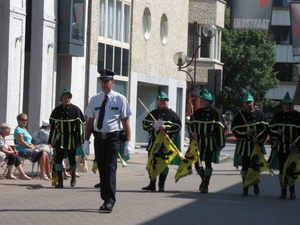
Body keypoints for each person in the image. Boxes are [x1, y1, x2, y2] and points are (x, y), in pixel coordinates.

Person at [84, 69, 132, 213]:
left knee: (110, 168)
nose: (105, 84)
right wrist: (86, 141)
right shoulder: (94, 99)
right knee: (102, 169)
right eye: (103, 81)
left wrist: (128, 142)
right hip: (99, 139)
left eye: (107, 81)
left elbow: (125, 122)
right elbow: (90, 122)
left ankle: (109, 200)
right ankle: (105, 197)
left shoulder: (120, 99)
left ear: (113, 82)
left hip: (113, 139)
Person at [141, 91, 181, 192]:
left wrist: (166, 128)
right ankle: (152, 184)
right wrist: (153, 126)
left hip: (165, 145)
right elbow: (144, 125)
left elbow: (177, 127)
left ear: (168, 102)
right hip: (153, 143)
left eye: (164, 101)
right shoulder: (153, 113)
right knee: (152, 163)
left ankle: (161, 185)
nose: (163, 102)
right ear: (158, 102)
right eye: (161, 100)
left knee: (163, 164)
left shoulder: (172, 115)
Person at [231, 91, 269, 196]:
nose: (248, 104)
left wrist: (258, 138)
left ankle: (255, 185)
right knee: (245, 167)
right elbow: (235, 130)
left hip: (256, 145)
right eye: (246, 102)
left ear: (253, 102)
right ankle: (245, 186)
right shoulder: (240, 115)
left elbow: (265, 129)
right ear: (243, 104)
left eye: (250, 102)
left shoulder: (259, 114)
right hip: (244, 146)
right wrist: (245, 134)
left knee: (255, 167)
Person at [188, 89, 225, 193]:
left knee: (208, 162)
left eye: (203, 100)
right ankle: (204, 179)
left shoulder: (215, 112)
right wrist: (192, 132)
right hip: (198, 141)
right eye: (201, 100)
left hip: (210, 141)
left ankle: (206, 185)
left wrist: (220, 144)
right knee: (197, 164)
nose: (201, 102)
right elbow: (190, 126)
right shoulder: (197, 112)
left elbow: (219, 129)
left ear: (208, 102)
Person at [48, 88, 85, 188]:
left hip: (71, 138)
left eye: (69, 97)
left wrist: (80, 140)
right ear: (61, 99)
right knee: (58, 159)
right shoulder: (57, 110)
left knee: (72, 159)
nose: (67, 99)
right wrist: (52, 140)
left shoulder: (75, 110)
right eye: (65, 97)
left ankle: (73, 176)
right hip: (60, 137)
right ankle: (60, 181)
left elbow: (80, 127)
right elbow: (53, 128)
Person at [269, 92, 300, 200]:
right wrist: (276, 132)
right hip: (281, 147)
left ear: (292, 105)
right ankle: (283, 190)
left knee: (292, 169)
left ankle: (292, 190)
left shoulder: (297, 116)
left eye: (289, 104)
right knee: (282, 169)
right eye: (286, 104)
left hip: (293, 148)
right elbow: (270, 129)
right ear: (282, 105)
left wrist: (295, 142)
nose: (287, 106)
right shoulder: (277, 116)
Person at [14, 113, 51, 180]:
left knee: (45, 153)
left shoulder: (24, 129)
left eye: (26, 120)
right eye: (23, 120)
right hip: (23, 150)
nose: (25, 121)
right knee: (43, 153)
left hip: (28, 148)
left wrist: (34, 145)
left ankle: (47, 173)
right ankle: (43, 173)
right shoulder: (18, 129)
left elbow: (29, 141)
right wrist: (32, 147)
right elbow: (21, 142)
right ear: (18, 120)